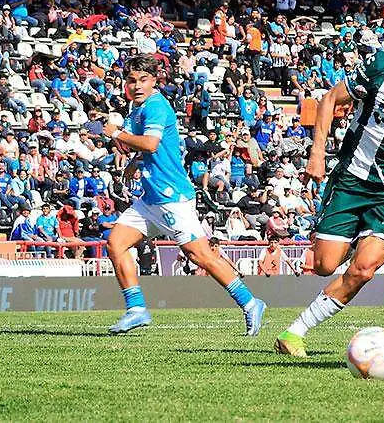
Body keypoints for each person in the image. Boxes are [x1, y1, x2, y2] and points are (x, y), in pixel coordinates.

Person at [100, 55, 265, 336]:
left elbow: (151, 143)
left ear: (154, 81)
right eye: (132, 80)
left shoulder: (155, 107)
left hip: (172, 197)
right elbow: (148, 148)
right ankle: (137, 309)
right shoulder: (137, 107)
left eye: (143, 80)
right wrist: (133, 161)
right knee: (116, 243)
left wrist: (117, 133)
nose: (137, 85)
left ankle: (250, 303)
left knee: (200, 255)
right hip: (151, 199)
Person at [275, 46, 384, 358]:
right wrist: (317, 154)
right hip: (352, 178)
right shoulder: (382, 65)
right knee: (324, 265)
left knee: (363, 270)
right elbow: (329, 99)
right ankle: (356, 241)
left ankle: (294, 332)